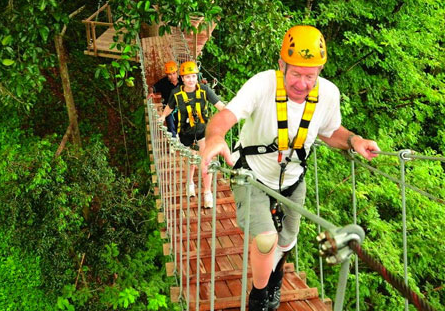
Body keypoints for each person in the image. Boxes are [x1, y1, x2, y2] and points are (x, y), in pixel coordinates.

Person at [200, 25, 380, 311]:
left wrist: (354, 140)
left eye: (311, 75)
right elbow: (224, 118)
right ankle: (259, 297)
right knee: (265, 241)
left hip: (293, 179)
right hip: (253, 176)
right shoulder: (262, 85)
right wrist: (215, 138)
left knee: (286, 242)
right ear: (281, 64)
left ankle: (276, 273)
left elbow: (330, 131)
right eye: (295, 74)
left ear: (320, 69)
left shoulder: (328, 94)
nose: (302, 84)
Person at [158, 61, 226, 208]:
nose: (191, 80)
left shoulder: (204, 90)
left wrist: (230, 115)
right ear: (182, 78)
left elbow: (220, 105)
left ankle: (207, 193)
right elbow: (170, 107)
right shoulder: (176, 94)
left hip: (203, 131)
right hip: (185, 133)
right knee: (191, 160)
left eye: (194, 76)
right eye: (188, 77)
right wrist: (163, 117)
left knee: (206, 160)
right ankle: (190, 182)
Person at [148, 61, 181, 137]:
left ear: (177, 72)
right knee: (171, 128)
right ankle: (174, 144)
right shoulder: (164, 82)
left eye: (174, 73)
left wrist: (201, 83)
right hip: (168, 108)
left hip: (181, 107)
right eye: (169, 74)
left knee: (181, 127)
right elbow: (152, 88)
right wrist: (151, 92)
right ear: (167, 75)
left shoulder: (183, 81)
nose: (172, 76)